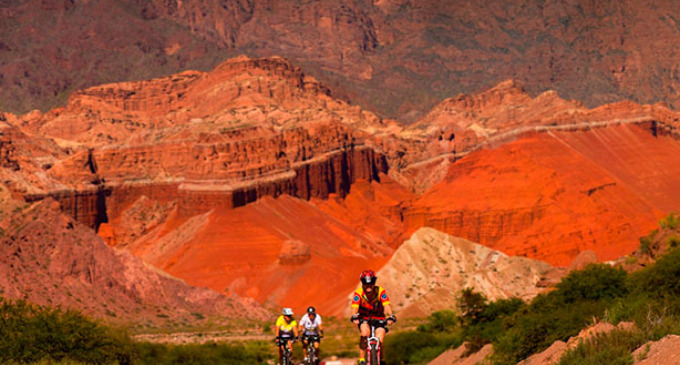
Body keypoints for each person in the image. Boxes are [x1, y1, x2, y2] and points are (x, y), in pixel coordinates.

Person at [350, 270, 396, 365]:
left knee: (380, 338)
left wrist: (391, 315)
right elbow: (355, 307)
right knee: (364, 333)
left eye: (371, 283)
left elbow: (386, 305)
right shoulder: (358, 293)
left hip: (379, 318)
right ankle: (362, 359)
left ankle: (381, 360)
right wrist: (354, 316)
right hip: (364, 318)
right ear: (362, 283)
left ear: (374, 283)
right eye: (366, 284)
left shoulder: (380, 291)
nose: (368, 286)